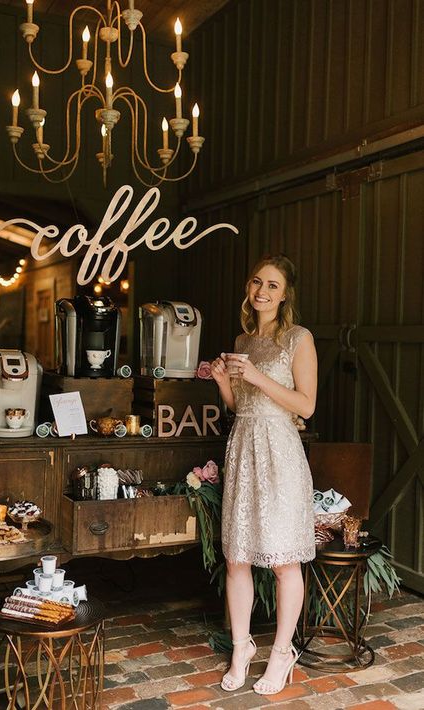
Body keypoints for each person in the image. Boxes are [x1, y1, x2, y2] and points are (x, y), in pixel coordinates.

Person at [211, 254, 317, 697]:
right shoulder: (243, 338)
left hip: (280, 453)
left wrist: (254, 373)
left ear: (285, 293)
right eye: (257, 282)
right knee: (238, 556)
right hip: (244, 447)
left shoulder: (298, 338)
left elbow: (305, 405)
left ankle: (281, 652)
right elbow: (241, 405)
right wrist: (223, 381)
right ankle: (241, 647)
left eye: (273, 285)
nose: (262, 292)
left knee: (282, 560)